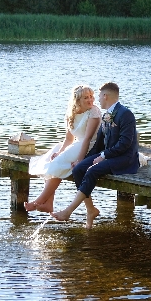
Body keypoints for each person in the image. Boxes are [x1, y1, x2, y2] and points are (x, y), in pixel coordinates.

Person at [51, 82, 139, 228]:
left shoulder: (125, 114)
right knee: (79, 169)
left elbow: (125, 144)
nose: (97, 99)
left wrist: (103, 156)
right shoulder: (106, 115)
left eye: (98, 96)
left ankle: (68, 211)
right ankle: (90, 210)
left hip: (125, 159)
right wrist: (83, 160)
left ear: (105, 96)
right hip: (109, 155)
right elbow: (98, 144)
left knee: (93, 170)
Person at [25, 85, 102, 213]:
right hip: (78, 143)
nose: (91, 100)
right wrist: (59, 152)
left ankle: (39, 201)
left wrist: (79, 160)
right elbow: (68, 139)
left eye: (91, 96)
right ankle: (49, 203)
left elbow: (88, 138)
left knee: (58, 163)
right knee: (52, 158)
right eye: (86, 98)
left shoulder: (93, 112)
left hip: (91, 145)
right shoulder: (70, 113)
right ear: (77, 100)